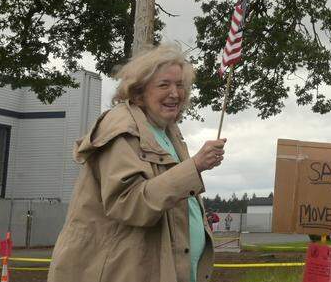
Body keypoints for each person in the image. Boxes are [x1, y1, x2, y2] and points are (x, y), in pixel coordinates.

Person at [49, 44, 227, 282]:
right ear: (138, 92)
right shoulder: (121, 129)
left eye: (180, 85)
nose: (175, 93)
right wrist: (194, 167)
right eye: (164, 85)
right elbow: (130, 203)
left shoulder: (168, 132)